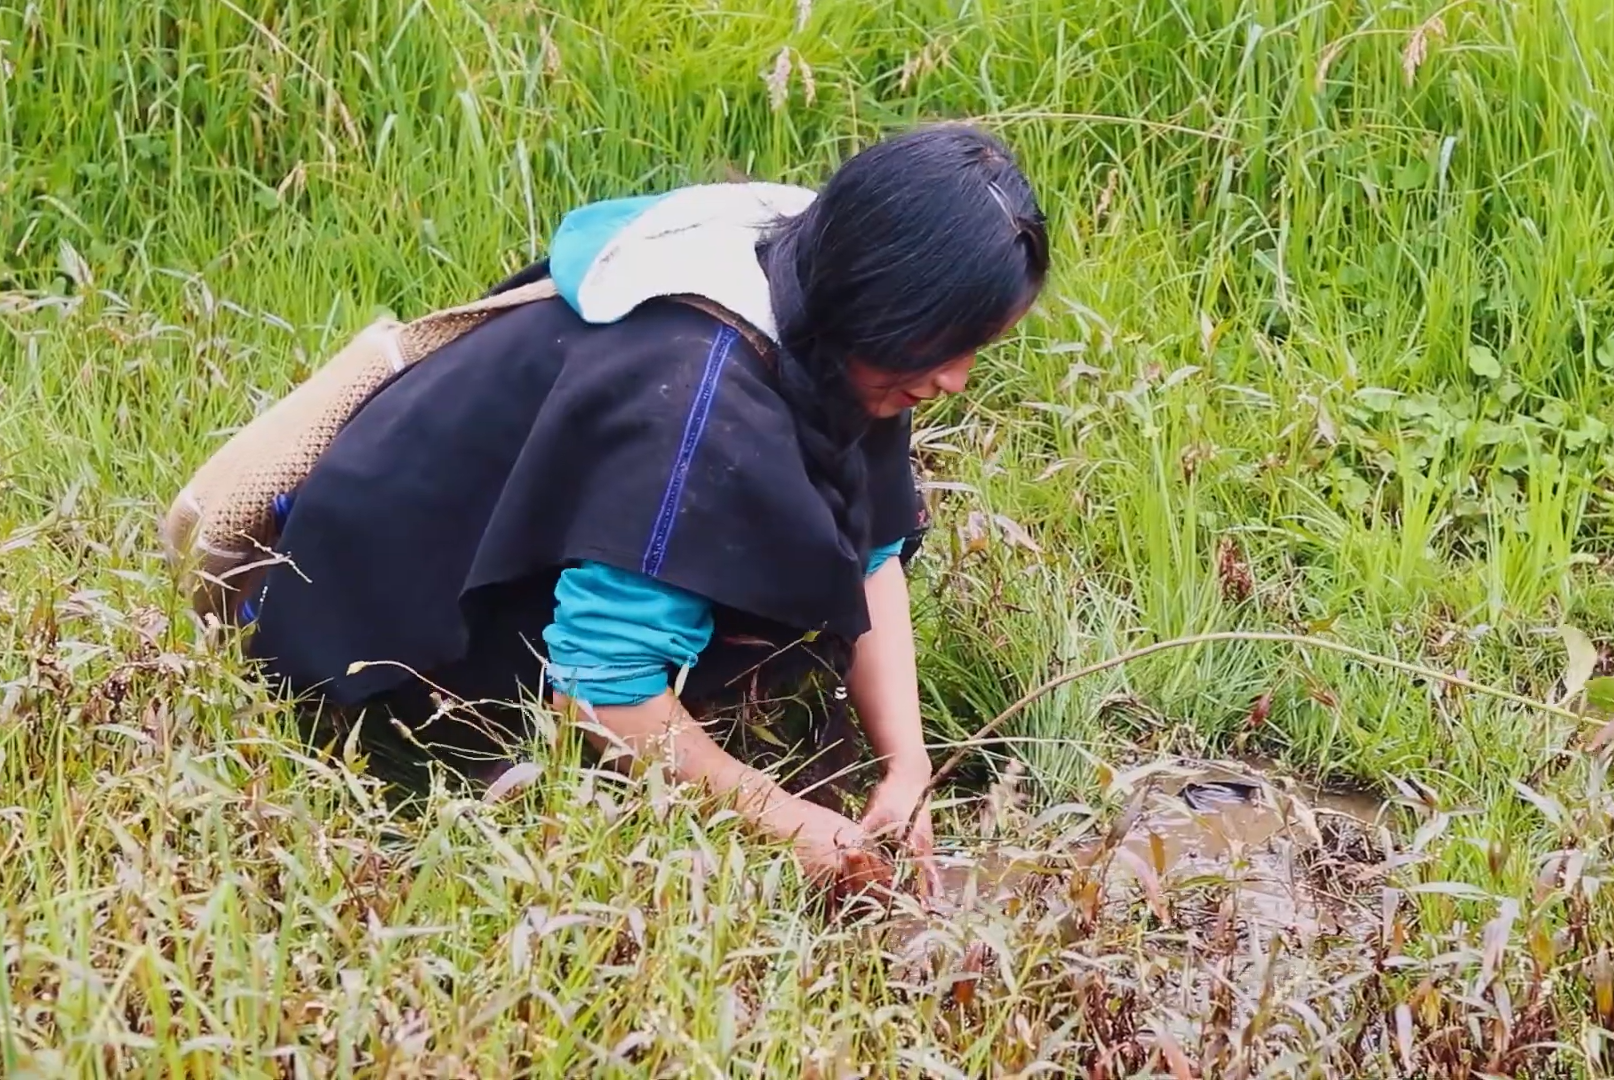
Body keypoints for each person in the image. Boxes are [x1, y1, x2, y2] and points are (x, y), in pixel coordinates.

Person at [239, 123, 1050, 893]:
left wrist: (906, 764)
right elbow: (601, 685)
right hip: (375, 624)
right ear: (882, 305)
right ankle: (461, 755)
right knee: (570, 730)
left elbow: (869, 552)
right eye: (948, 348)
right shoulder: (704, 398)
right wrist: (791, 822)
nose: (956, 380)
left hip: (501, 523)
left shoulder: (842, 305)